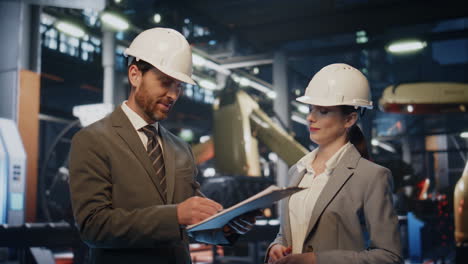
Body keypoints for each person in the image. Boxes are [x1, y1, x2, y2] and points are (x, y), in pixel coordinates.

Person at [69, 27, 255, 264]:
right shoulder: (93, 140)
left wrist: (226, 227)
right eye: (165, 82)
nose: (173, 95)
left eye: (179, 86)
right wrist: (174, 216)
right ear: (135, 75)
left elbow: (193, 223)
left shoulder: (180, 149)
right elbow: (94, 226)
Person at [266, 63, 403, 264]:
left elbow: (389, 257)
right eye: (311, 108)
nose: (310, 117)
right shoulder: (297, 170)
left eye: (323, 111)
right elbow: (288, 232)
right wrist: (276, 247)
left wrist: (317, 260)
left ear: (349, 119)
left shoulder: (372, 177)